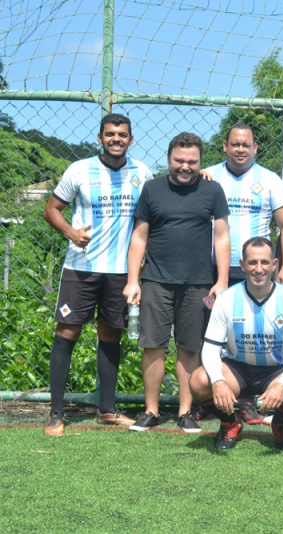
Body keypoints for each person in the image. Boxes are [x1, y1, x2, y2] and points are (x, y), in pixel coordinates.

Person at [42, 113, 153, 436]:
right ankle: (56, 413)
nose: (116, 139)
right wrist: (71, 232)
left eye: (122, 134)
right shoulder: (79, 170)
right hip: (81, 268)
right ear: (100, 138)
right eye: (110, 134)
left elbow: (159, 205)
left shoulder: (142, 172)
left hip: (121, 271)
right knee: (67, 332)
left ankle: (107, 409)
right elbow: (51, 209)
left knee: (110, 335)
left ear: (131, 139)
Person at [123, 132, 230, 432]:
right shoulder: (152, 189)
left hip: (198, 283)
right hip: (155, 280)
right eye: (179, 160)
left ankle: (186, 412)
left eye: (192, 162)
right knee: (153, 346)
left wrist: (221, 280)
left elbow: (222, 237)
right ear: (169, 158)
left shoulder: (213, 190)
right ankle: (151, 411)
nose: (185, 166)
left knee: (189, 347)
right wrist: (133, 280)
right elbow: (139, 236)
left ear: (200, 161)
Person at [200, 123, 283, 425]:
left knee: (254, 334)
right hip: (213, 269)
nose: (240, 149)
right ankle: (212, 401)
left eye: (246, 144)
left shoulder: (269, 180)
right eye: (235, 144)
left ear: (255, 148)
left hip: (254, 269)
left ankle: (254, 400)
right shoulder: (208, 176)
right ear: (225, 147)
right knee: (211, 336)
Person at [188, 237, 283, 450]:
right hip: (237, 370)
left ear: (274, 264)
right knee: (199, 381)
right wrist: (217, 380)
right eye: (252, 262)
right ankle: (230, 422)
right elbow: (210, 348)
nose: (259, 269)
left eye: (264, 262)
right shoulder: (226, 299)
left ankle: (280, 424)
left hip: (276, 370)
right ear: (243, 265)